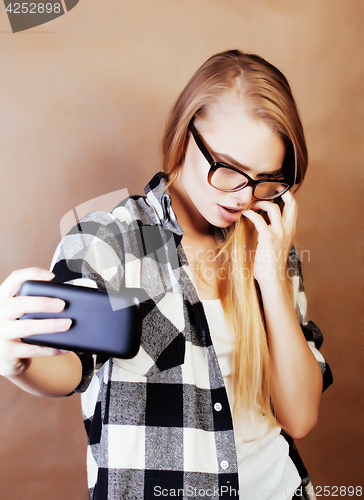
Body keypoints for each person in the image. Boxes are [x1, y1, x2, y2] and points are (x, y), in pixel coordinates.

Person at [0, 50, 333, 499]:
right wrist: (18, 362)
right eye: (229, 169)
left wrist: (271, 276)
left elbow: (299, 416)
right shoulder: (114, 240)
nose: (242, 196)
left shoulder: (269, 241)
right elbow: (67, 364)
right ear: (185, 135)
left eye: (265, 179)